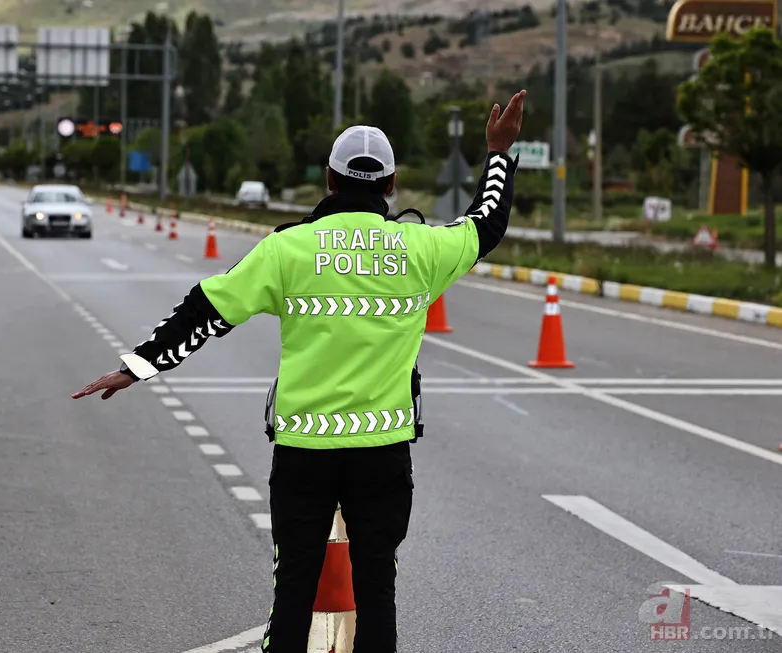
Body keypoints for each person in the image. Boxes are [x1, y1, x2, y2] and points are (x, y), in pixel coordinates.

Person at [72, 90, 526, 652]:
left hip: (303, 452)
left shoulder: (288, 249)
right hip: (383, 452)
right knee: (376, 592)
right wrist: (499, 153)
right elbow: (487, 223)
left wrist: (138, 365)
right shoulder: (421, 249)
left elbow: (204, 310)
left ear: (330, 181)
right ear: (390, 185)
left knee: (293, 592)